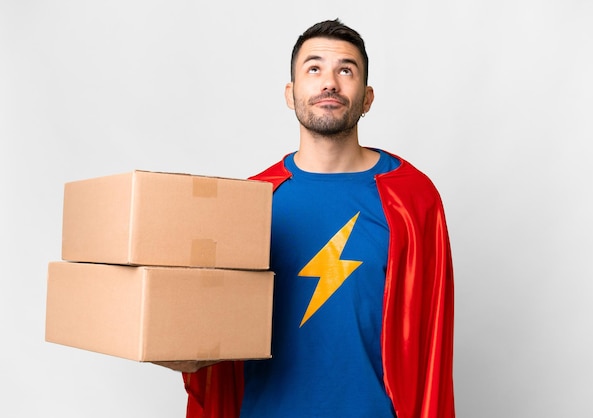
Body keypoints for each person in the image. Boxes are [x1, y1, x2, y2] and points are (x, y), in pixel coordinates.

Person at [173, 18, 455, 418]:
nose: (330, 83)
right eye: (314, 68)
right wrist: (183, 353)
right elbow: (213, 343)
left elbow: (430, 347)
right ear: (291, 94)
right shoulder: (249, 202)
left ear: (368, 97)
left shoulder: (412, 198)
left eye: (346, 70)